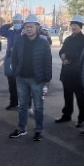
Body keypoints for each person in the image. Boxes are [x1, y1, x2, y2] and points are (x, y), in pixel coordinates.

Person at [9, 13, 52, 142]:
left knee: (38, 106)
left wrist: (47, 78)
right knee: (22, 105)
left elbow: (48, 61)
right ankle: (22, 128)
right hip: (21, 78)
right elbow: (14, 57)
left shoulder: (43, 43)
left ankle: (38, 130)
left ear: (37, 27)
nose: (28, 29)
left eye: (31, 26)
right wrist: (16, 72)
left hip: (37, 79)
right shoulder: (19, 41)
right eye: (27, 26)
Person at [56, 14, 84, 126]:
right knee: (67, 96)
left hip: (78, 74)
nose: (73, 27)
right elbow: (61, 51)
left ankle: (82, 118)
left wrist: (67, 56)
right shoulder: (68, 39)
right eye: (72, 24)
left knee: (81, 98)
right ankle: (66, 115)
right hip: (67, 73)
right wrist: (62, 56)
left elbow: (79, 54)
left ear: (80, 26)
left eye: (76, 25)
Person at [0, 13, 24, 110]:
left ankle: (25, 104)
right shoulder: (10, 33)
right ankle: (13, 102)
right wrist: (9, 24)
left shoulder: (25, 32)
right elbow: (1, 31)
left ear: (22, 22)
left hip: (22, 61)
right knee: (11, 83)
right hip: (10, 59)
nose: (17, 23)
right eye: (15, 21)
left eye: (19, 21)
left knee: (23, 84)